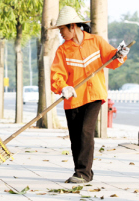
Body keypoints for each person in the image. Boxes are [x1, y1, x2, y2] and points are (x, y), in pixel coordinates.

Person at [50, 6, 129, 183]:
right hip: (73, 98)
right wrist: (63, 88)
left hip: (94, 95)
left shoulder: (96, 41)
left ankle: (82, 174)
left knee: (86, 131)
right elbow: (57, 75)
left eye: (62, 29)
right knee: (76, 136)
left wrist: (120, 55)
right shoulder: (63, 50)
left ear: (72, 26)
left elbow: (112, 59)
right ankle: (83, 172)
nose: (60, 33)